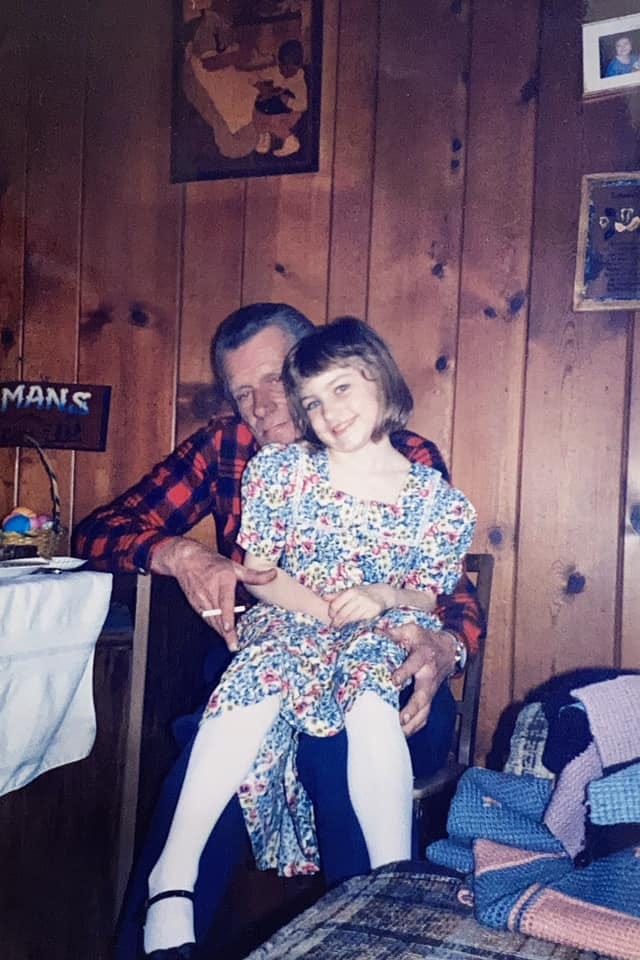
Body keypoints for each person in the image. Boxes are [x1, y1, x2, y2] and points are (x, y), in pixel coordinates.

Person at [72, 302, 483, 958]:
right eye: (242, 392)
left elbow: (446, 588)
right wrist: (183, 553)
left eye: (274, 380)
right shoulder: (231, 451)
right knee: (216, 744)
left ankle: (370, 932)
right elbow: (98, 530)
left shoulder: (402, 458)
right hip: (269, 663)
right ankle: (161, 934)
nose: (263, 405)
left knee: (337, 741)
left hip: (385, 676)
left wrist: (442, 646)